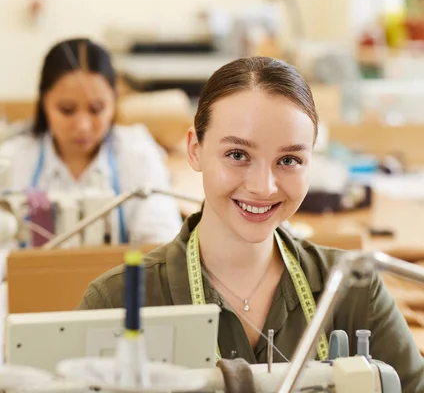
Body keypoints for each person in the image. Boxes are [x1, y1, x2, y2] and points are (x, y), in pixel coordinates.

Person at [77, 57, 424, 391]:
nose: (264, 186)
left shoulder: (354, 291)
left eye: (289, 160)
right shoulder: (115, 303)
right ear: (195, 149)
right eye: (238, 155)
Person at [0, 38, 182, 244]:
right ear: (44, 102)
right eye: (67, 110)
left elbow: (161, 242)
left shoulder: (137, 153)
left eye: (96, 109)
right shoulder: (12, 160)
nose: (83, 126)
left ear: (114, 101)